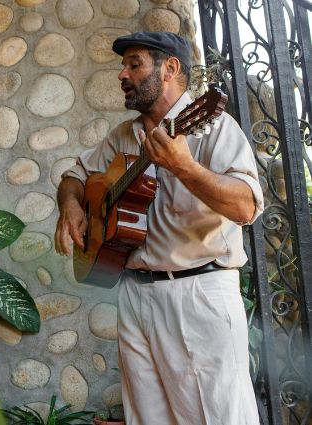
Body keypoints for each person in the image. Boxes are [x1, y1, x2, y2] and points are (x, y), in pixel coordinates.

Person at [53, 32, 263, 425]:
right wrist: (71, 206)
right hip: (134, 295)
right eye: (124, 66)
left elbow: (246, 206)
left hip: (197, 293)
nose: (123, 74)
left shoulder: (214, 127)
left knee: (217, 416)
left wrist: (185, 167)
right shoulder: (122, 136)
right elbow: (74, 176)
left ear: (170, 69)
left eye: (134, 65)